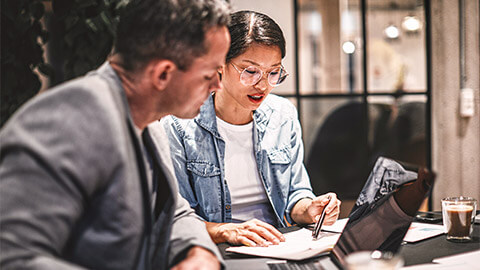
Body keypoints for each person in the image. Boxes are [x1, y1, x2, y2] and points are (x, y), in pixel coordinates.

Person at [0, 0, 230, 269]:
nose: (217, 85)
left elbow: (172, 210)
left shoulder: (148, 123)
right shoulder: (71, 121)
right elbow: (13, 256)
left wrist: (197, 252)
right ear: (163, 73)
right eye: (208, 75)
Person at [158, 10, 341, 248]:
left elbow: (295, 193)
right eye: (251, 71)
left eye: (273, 72)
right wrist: (227, 231)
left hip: (279, 243)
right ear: (220, 65)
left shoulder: (283, 115)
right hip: (215, 250)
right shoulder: (179, 125)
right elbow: (175, 219)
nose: (263, 85)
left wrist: (310, 209)